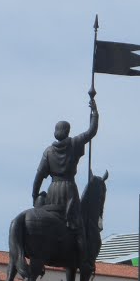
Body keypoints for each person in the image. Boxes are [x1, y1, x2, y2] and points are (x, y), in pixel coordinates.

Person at [32, 97, 99, 265]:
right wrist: (94, 112)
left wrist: (34, 195)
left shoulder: (48, 151)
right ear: (67, 131)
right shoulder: (75, 143)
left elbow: (39, 176)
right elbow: (92, 131)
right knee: (79, 227)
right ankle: (84, 260)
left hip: (53, 190)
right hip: (69, 189)